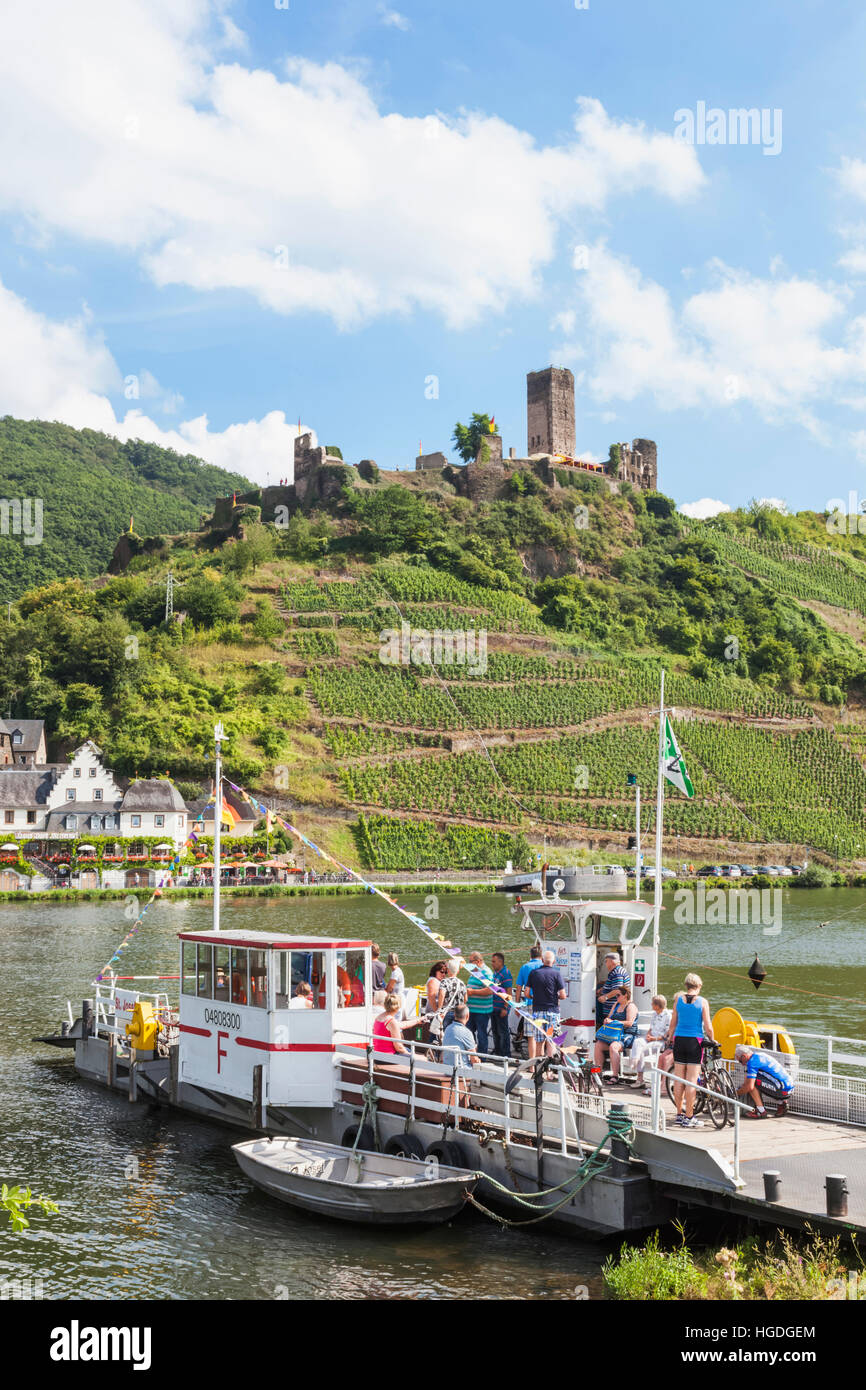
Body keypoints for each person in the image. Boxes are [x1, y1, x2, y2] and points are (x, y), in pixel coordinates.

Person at [666, 973, 714, 1129]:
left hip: (679, 1040)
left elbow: (672, 1024)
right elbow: (708, 1027)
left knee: (679, 1079)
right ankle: (689, 1117)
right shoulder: (702, 1002)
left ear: (686, 986)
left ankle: (679, 1114)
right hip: (694, 1041)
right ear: (699, 986)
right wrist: (713, 1040)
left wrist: (669, 1038)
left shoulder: (678, 1000)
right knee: (691, 1081)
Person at [592, 985, 639, 1084]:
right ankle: (598, 1073)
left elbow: (630, 1023)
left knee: (613, 1047)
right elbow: (609, 1018)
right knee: (598, 1045)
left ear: (625, 995)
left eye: (618, 995)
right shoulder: (616, 1005)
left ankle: (615, 1075)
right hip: (613, 1034)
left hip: (627, 1035)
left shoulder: (631, 1006)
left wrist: (616, 1022)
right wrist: (607, 1020)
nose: (616, 998)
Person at [734, 1044, 794, 1118]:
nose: (742, 1064)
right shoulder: (761, 1055)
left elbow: (749, 1087)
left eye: (740, 1060)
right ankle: (782, 1103)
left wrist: (736, 1093)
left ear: (744, 1056)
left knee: (752, 1084)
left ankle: (761, 1111)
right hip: (789, 1087)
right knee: (755, 1079)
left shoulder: (752, 1063)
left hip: (781, 1090)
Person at [526, 949, 567, 1058]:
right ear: (553, 962)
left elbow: (526, 993)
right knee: (551, 1041)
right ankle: (549, 1071)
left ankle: (539, 1069)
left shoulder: (533, 973)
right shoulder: (556, 974)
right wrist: (554, 996)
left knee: (539, 1042)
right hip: (552, 1012)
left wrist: (533, 996)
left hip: (537, 1012)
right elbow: (563, 995)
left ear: (542, 960)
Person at [631, 994, 673, 1092]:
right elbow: (651, 1028)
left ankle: (639, 1077)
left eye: (653, 1003)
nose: (651, 1004)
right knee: (637, 1042)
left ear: (658, 1005)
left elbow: (667, 1034)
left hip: (660, 1041)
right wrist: (648, 1035)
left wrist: (654, 1038)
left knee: (640, 1050)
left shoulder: (668, 1016)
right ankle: (635, 1061)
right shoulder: (654, 1014)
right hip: (651, 1038)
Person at [465, 951, 494, 1055]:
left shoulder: (486, 972)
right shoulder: (474, 972)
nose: (468, 964)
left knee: (481, 1035)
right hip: (471, 1009)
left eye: (470, 961)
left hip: (482, 1010)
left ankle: (482, 1057)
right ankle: (471, 1055)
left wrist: (473, 992)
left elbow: (490, 990)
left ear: (477, 961)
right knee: (468, 1034)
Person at [441, 1004, 479, 1071]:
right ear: (467, 1016)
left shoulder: (447, 1029)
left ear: (454, 1015)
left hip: (446, 1069)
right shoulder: (467, 1033)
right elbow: (474, 1060)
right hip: (461, 1071)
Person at [596, 951, 629, 1026]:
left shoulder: (617, 973)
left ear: (611, 961)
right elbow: (615, 985)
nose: (606, 964)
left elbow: (618, 990)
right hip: (613, 1007)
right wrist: (602, 988)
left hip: (613, 1008)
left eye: (606, 961)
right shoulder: (617, 971)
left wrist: (605, 997)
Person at [490, 951, 513, 1058]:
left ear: (500, 962)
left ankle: (505, 1054)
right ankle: (498, 1051)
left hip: (501, 1007)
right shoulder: (495, 973)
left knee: (503, 1032)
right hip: (493, 1006)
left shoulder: (505, 973)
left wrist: (505, 1007)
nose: (492, 963)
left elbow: (509, 991)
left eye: (494, 961)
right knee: (495, 1031)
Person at [436, 958, 467, 1033]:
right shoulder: (462, 983)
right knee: (457, 1033)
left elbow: (442, 995)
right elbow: (466, 999)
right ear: (458, 971)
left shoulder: (444, 982)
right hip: (459, 1013)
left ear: (448, 970)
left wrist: (439, 1010)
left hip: (447, 1012)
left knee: (446, 1033)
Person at [424, 961, 448, 1044]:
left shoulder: (439, 981)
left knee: (437, 1035)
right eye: (441, 972)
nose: (444, 974)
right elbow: (431, 998)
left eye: (445, 972)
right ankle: (431, 1053)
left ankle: (433, 1053)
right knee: (434, 1035)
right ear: (435, 971)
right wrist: (437, 1014)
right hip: (435, 1013)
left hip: (438, 1013)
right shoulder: (433, 981)